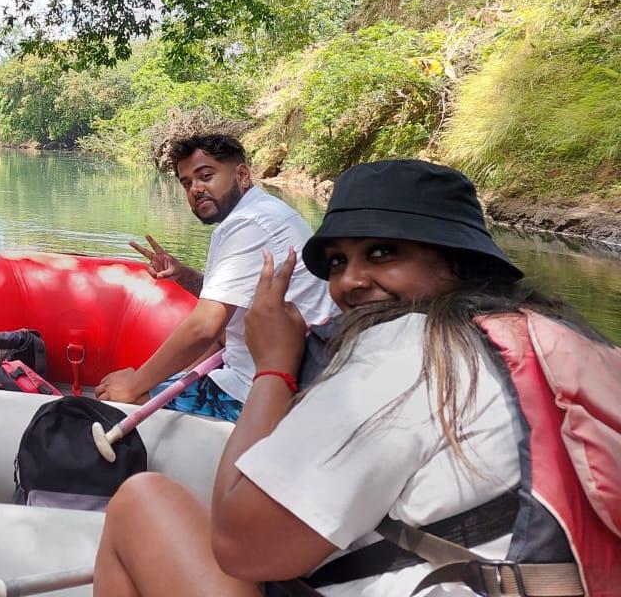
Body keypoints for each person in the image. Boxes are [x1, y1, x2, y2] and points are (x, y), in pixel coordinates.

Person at [93, 159, 617, 597]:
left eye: (383, 253)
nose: (349, 281)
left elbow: (238, 543)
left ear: (455, 263)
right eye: (339, 260)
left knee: (143, 503)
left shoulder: (412, 347)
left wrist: (273, 366)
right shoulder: (559, 336)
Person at [97, 134, 337, 420]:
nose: (195, 189)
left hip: (259, 393)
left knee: (115, 402)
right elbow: (231, 303)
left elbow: (205, 327)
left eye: (206, 176)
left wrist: (134, 385)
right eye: (186, 183)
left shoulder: (247, 224)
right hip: (290, 376)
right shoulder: (266, 211)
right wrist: (183, 274)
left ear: (242, 175)